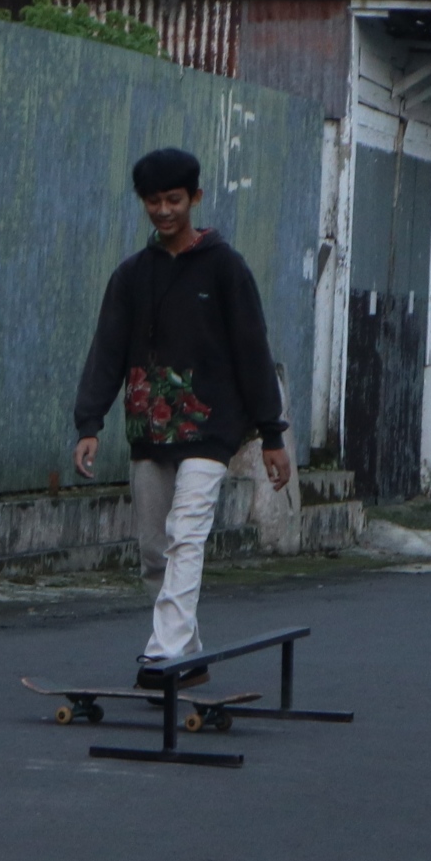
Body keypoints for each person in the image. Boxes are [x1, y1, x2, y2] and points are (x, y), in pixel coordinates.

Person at [72, 148, 291, 690]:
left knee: (186, 534)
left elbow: (253, 349)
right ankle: (188, 654)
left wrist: (272, 433)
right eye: (153, 201)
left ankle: (163, 655)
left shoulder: (225, 268)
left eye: (174, 199)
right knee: (154, 551)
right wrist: (89, 424)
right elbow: (106, 351)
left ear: (195, 198)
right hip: (148, 430)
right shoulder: (131, 276)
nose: (164, 210)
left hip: (210, 429)